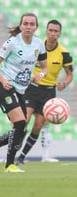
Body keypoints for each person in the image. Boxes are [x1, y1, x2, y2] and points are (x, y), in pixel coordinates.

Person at [0, 13, 48, 173]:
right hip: (4, 87)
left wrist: (40, 75)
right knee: (20, 124)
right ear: (20, 26)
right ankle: (9, 165)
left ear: (36, 27)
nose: (28, 27)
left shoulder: (39, 44)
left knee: (21, 130)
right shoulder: (12, 43)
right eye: (25, 24)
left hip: (21, 90)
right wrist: (2, 80)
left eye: (32, 24)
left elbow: (45, 67)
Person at [17, 20, 73, 164]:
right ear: (46, 31)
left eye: (56, 31)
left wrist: (64, 84)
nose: (53, 33)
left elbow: (70, 74)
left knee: (38, 126)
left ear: (59, 34)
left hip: (49, 94)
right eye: (50, 30)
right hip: (32, 89)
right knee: (24, 120)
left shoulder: (64, 53)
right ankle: (12, 153)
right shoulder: (36, 46)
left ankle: (21, 157)